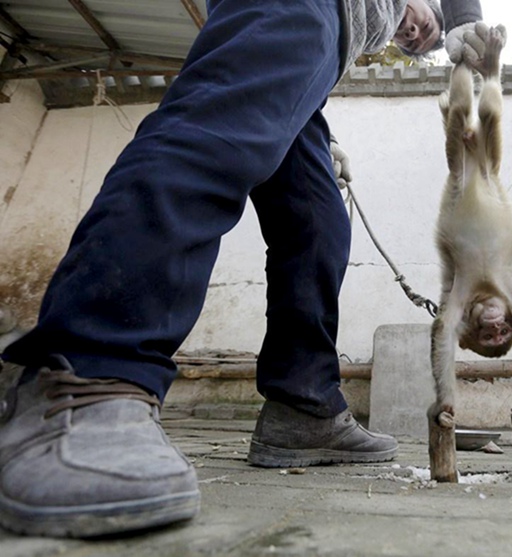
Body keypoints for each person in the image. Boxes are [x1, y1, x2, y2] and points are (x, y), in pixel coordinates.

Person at [0, 0, 485, 539]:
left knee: (318, 220)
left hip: (322, 43)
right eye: (428, 21)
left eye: (420, 43)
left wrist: (319, 129)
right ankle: (88, 372)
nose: (419, 33)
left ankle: (305, 408)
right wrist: (466, 18)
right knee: (219, 136)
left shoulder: (362, 26)